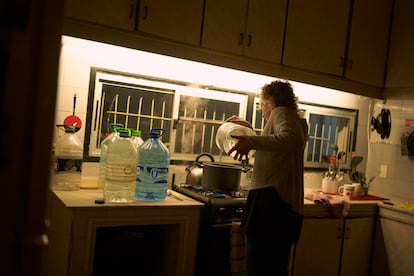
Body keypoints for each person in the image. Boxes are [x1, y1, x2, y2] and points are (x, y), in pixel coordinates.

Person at [228, 80, 308, 276]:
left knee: (259, 268)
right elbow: (278, 143)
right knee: (275, 268)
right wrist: (249, 133)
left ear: (270, 101)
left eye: (261, 104)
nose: (261, 109)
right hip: (283, 206)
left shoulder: (280, 112)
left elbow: (290, 138)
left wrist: (251, 141)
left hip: (271, 202)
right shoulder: (294, 119)